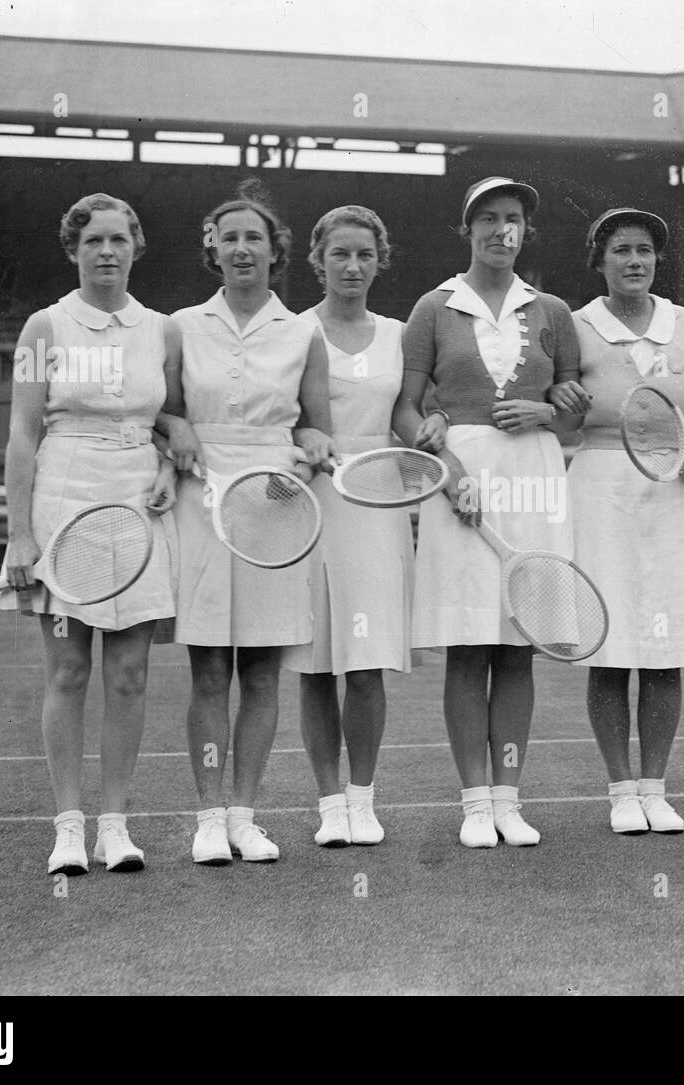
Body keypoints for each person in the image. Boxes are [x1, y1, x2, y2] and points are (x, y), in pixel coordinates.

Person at [393, 176, 581, 848]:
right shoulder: (433, 307)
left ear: (525, 232)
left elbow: (574, 404)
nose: (503, 231)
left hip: (534, 477)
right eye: (490, 219)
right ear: (467, 229)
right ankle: (475, 802)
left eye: (514, 221)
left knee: (519, 649)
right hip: (463, 482)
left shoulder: (553, 310)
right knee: (470, 649)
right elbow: (404, 409)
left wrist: (546, 410)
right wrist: (447, 472)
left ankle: (510, 797)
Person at [0, 193, 180, 875]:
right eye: (93, 241)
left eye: (118, 239)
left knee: (130, 675)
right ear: (74, 250)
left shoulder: (162, 330)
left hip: (138, 505)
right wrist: (19, 534)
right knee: (69, 669)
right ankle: (68, 828)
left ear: (136, 246)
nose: (107, 252)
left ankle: (115, 826)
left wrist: (166, 462)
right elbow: (23, 434)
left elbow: (175, 421)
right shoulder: (43, 327)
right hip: (61, 501)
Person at [159, 180, 335, 865]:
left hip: (276, 502)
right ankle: (207, 817)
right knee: (209, 673)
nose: (240, 248)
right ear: (213, 249)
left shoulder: (303, 331)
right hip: (202, 503)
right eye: (228, 237)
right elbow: (166, 411)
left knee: (262, 674)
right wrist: (175, 427)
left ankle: (243, 815)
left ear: (274, 251)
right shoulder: (180, 325)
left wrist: (315, 451)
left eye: (253, 237)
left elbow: (317, 425)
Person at [553, 207, 684, 834]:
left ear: (657, 259)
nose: (634, 261)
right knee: (611, 650)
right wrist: (562, 404)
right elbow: (561, 415)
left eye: (644, 249)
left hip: (669, 495)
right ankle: (622, 790)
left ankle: (655, 786)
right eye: (621, 250)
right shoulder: (574, 323)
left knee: (664, 652)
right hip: (600, 491)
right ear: (601, 259)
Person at [283, 206, 410, 846]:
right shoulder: (295, 331)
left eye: (364, 254)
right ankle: (330, 803)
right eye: (340, 254)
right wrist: (306, 442)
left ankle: (363, 799)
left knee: (366, 664)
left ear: (378, 260)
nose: (353, 266)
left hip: (378, 507)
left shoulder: (399, 333)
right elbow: (285, 416)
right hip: (313, 503)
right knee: (315, 663)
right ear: (318, 259)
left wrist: (430, 430)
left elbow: (412, 412)